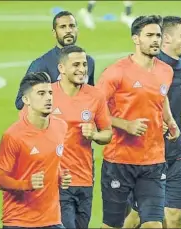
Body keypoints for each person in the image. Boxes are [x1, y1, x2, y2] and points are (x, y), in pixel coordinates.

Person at [96, 15, 180, 229]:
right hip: (119, 160)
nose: (155, 40)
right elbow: (93, 108)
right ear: (136, 39)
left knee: (153, 224)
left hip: (153, 159)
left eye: (158, 35)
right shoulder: (116, 72)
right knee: (113, 224)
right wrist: (125, 124)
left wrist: (170, 120)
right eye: (149, 35)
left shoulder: (166, 70)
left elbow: (161, 96)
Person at [123, 16, 181, 229]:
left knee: (175, 216)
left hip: (176, 153)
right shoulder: (147, 67)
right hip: (148, 154)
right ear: (166, 39)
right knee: (137, 218)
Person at [0, 72, 72, 229]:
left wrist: (61, 175)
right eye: (41, 94)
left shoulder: (60, 126)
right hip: (19, 221)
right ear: (26, 99)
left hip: (52, 219)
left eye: (50, 93)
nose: (48, 98)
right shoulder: (13, 135)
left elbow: (51, 161)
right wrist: (25, 184)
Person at [51, 45, 113, 229]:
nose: (82, 69)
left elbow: (107, 133)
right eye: (76, 64)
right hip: (57, 179)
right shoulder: (47, 94)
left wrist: (94, 134)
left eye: (84, 64)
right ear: (61, 68)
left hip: (84, 177)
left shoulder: (95, 95)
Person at [15, 10, 95, 110]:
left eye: (72, 26)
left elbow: (91, 96)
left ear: (77, 30)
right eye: (62, 27)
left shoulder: (89, 62)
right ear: (54, 32)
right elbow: (20, 102)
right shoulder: (41, 64)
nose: (68, 30)